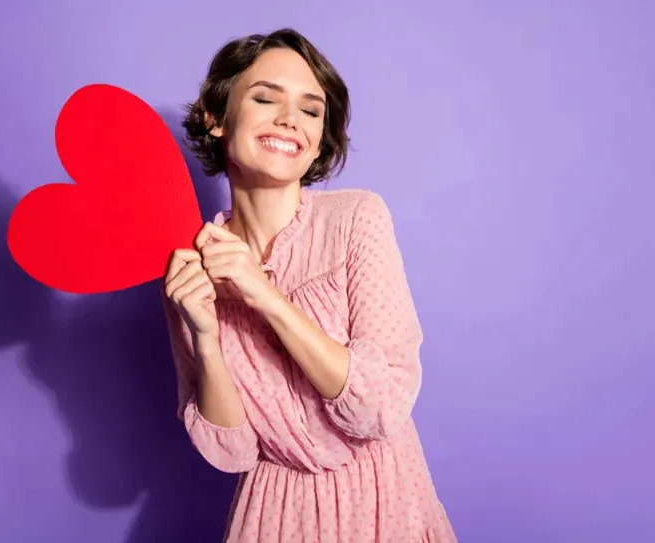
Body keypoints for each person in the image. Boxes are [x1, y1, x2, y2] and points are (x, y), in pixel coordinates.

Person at [162, 28, 457, 542]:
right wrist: (206, 339)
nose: (289, 120)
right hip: (275, 517)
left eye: (310, 110)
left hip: (386, 503)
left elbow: (381, 404)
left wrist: (264, 294)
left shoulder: (356, 219)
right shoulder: (189, 268)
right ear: (216, 119)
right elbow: (232, 452)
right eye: (264, 98)